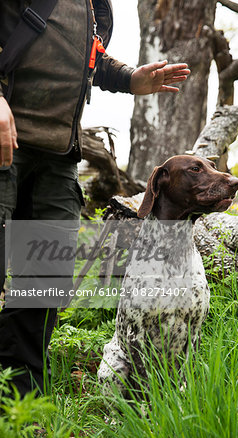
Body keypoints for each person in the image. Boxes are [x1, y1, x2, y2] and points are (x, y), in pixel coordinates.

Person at [0, 0, 190, 397]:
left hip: (56, 159)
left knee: (44, 283)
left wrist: (131, 78)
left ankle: (18, 406)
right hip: (4, 144)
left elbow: (89, 59)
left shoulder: (92, 6)